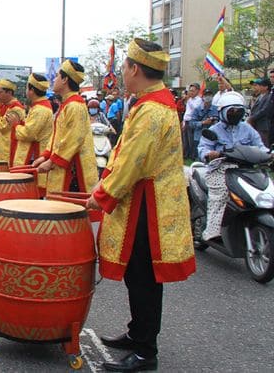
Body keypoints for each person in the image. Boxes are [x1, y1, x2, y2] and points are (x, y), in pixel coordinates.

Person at [86, 38, 195, 372]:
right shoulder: (149, 104)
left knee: (145, 277)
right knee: (139, 275)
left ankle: (146, 351)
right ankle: (138, 334)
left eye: (124, 67)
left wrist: (101, 196)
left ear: (135, 68)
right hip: (144, 200)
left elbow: (133, 162)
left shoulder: (152, 111)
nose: (122, 72)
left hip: (151, 206)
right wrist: (104, 184)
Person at [197, 90, 270, 241]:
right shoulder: (214, 130)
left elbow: (259, 146)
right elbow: (203, 148)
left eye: (239, 110)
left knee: (266, 190)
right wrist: (209, 154)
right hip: (220, 169)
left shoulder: (247, 129)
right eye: (232, 110)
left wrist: (268, 154)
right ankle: (212, 230)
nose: (235, 113)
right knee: (220, 195)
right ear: (223, 111)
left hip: (245, 170)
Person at [33, 60, 98, 194]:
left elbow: (73, 140)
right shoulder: (67, 104)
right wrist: (45, 156)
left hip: (73, 170)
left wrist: (51, 162)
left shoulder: (75, 106)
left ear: (65, 79)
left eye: (57, 76)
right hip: (61, 165)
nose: (54, 79)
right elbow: (57, 136)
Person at [8, 73, 53, 194]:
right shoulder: (38, 107)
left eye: (28, 87)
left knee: (29, 190)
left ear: (32, 90)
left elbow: (28, 134)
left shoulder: (40, 109)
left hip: (35, 155)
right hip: (34, 153)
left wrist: (16, 124)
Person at [0, 79, 25, 164]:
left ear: (9, 93)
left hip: (9, 149)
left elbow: (3, 126)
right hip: (0, 148)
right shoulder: (3, 106)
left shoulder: (16, 108)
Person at [246, 77, 273, 146]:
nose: (258, 87)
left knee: (263, 144)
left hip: (263, 125)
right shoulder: (260, 96)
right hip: (256, 124)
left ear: (266, 87)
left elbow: (264, 110)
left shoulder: (269, 96)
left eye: (260, 85)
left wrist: (252, 118)